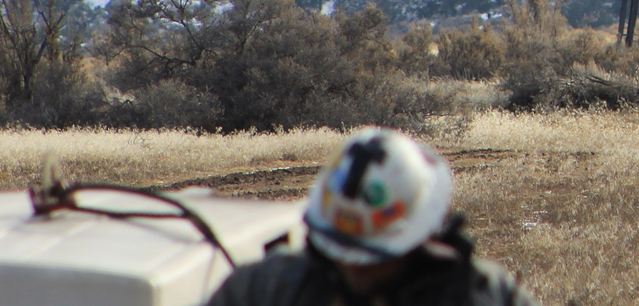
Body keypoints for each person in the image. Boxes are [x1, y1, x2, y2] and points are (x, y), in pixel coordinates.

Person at [206, 127, 539, 306]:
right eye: (340, 250)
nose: (354, 266)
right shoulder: (265, 289)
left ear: (420, 237)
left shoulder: (485, 295)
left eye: (373, 258)